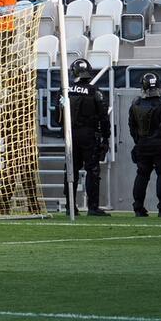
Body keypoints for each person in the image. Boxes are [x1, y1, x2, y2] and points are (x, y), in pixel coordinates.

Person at [129, 72, 161, 217]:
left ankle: (138, 207)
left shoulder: (136, 104)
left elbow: (132, 127)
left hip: (142, 145)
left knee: (142, 175)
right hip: (160, 146)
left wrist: (138, 142)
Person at [67, 58, 110, 217]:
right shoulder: (95, 92)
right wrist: (106, 138)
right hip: (89, 135)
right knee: (92, 170)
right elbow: (104, 118)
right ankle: (93, 207)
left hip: (71, 135)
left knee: (71, 170)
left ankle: (70, 207)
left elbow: (59, 113)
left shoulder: (66, 90)